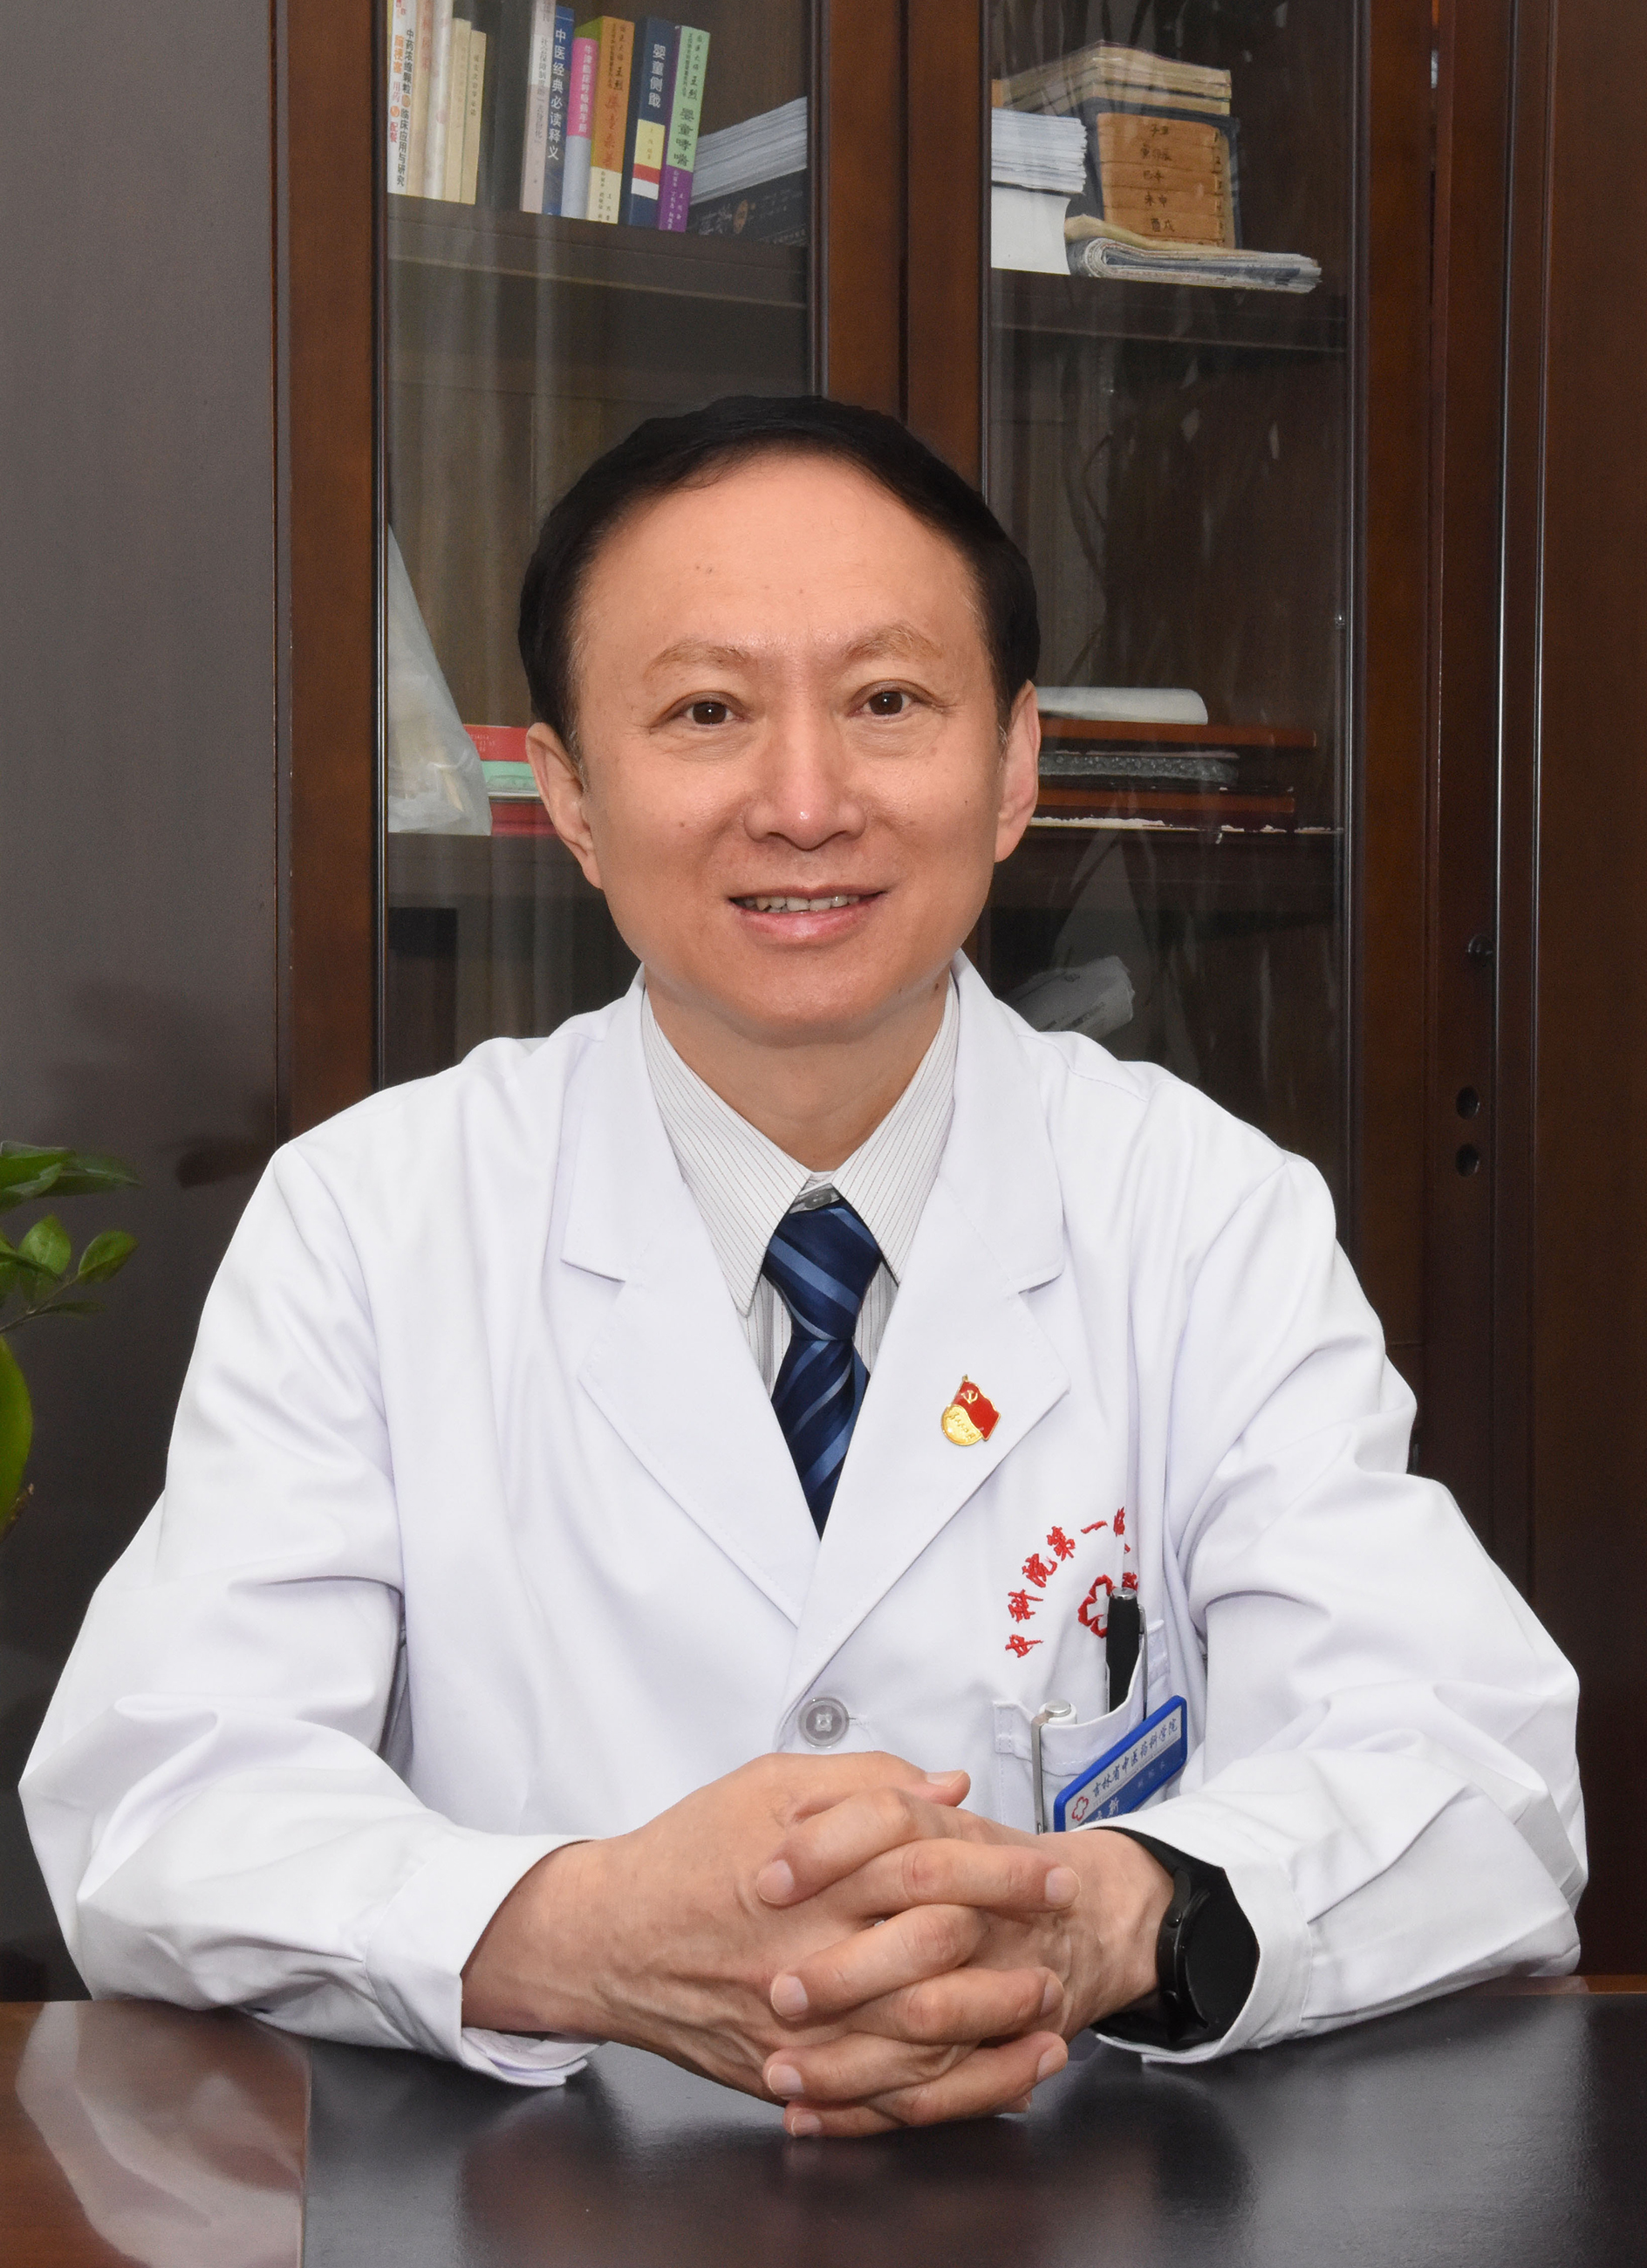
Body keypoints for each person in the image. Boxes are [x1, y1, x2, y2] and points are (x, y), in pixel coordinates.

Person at [24, 397, 1584, 2140]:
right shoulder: (373, 1219)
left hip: (1074, 2203)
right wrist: (580, 1934)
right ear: (571, 794)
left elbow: (1479, 1777)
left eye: (887, 702)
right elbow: (162, 1803)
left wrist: (1105, 1919)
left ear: (1014, 766)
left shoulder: (1200, 1211)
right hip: (541, 2207)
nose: (804, 802)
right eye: (705, 712)